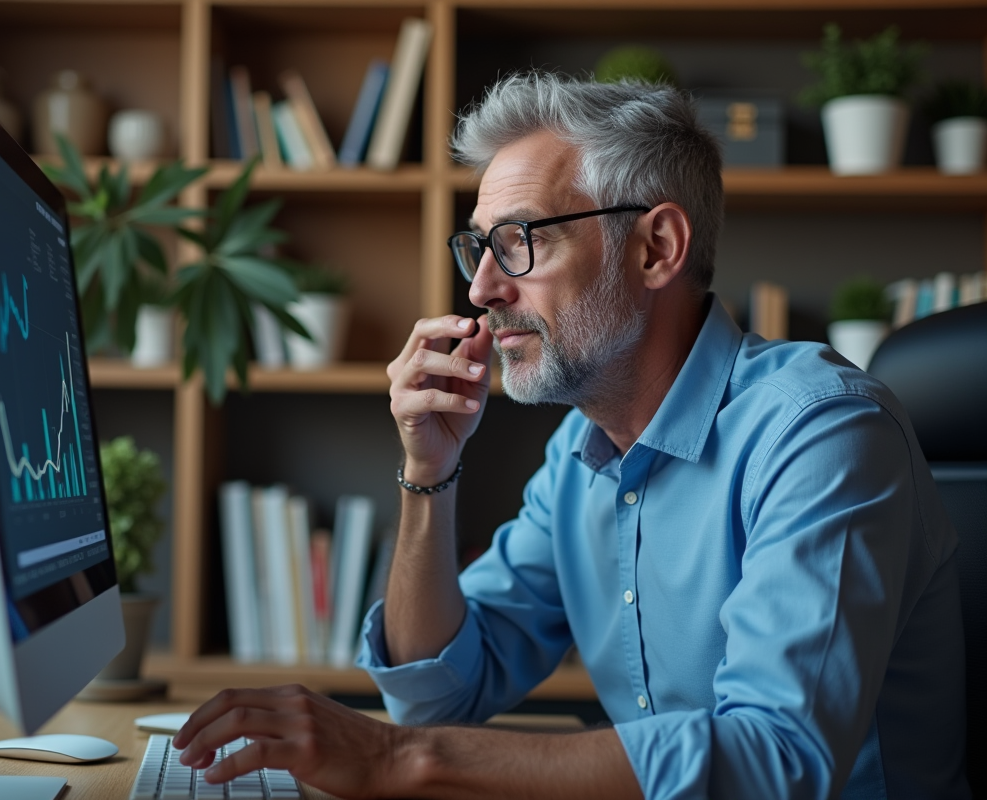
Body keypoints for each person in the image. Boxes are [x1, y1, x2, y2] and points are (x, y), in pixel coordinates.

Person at [173, 73, 969, 799]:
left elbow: (775, 761)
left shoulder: (822, 431)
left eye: (522, 240)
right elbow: (437, 690)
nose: (482, 288)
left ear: (656, 247)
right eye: (478, 247)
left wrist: (397, 760)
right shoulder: (579, 454)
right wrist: (430, 471)